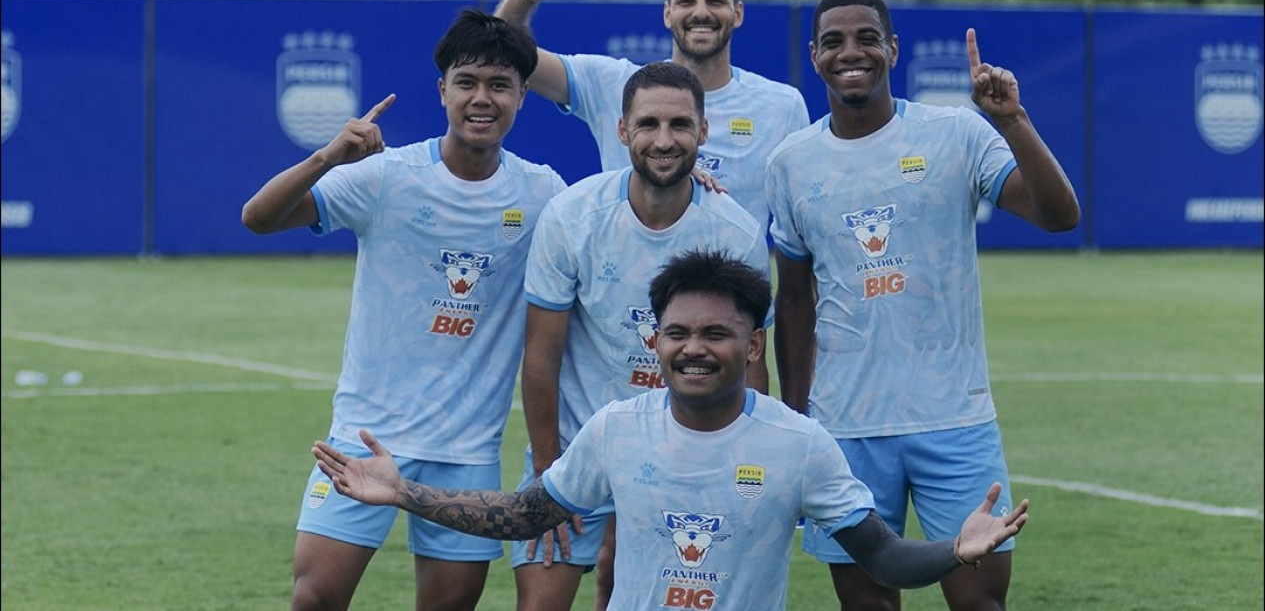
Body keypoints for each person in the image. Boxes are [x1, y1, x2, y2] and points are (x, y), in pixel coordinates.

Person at [311, 248, 1030, 611]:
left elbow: (884, 557)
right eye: (677, 333)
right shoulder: (616, 429)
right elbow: (525, 514)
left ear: (752, 346)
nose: (694, 349)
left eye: (717, 334)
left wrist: (954, 550)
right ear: (654, 342)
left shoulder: (800, 443)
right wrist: (403, 493)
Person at [240, 9, 567, 611]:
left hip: (466, 448)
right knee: (313, 599)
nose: (482, 99)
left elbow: (607, 223)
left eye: (499, 85)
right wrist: (326, 157)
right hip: (364, 433)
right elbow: (257, 218)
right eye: (467, 82)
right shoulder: (386, 176)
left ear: (523, 95)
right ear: (443, 90)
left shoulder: (544, 193)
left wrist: (687, 175)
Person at [766, 0, 1080, 611]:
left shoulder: (955, 133)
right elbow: (794, 302)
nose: (850, 52)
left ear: (892, 49)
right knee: (869, 607)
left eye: (866, 38)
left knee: (980, 604)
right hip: (845, 428)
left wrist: (1013, 121)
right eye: (833, 41)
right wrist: (800, 425)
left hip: (955, 419)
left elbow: (1059, 215)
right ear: (814, 55)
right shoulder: (790, 163)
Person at [512, 61, 772, 611]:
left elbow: (751, 365)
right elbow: (541, 356)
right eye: (648, 124)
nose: (664, 139)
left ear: (703, 131)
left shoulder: (735, 232)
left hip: (684, 454)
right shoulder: (573, 216)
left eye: (680, 125)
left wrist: (745, 465)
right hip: (577, 446)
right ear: (622, 130)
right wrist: (547, 474)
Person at [495, 0, 810, 235]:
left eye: (715, 1)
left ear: (738, 13)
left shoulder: (782, 105)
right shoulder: (613, 84)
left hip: (734, 278)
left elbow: (801, 226)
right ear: (667, 13)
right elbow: (505, 51)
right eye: (686, 1)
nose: (701, 12)